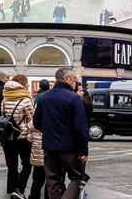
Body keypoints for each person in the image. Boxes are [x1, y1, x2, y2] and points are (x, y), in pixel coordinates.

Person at [33, 68, 89, 199]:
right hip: (69, 146)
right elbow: (81, 127)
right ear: (66, 79)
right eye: (74, 78)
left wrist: (49, 131)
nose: (75, 80)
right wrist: (84, 151)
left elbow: (36, 122)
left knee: (53, 180)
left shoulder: (44, 97)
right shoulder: (74, 98)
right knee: (76, 177)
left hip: (49, 145)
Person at [3, 74, 35, 199]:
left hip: (8, 136)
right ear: (22, 84)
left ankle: (12, 190)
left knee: (12, 165)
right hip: (23, 137)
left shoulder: (5, 99)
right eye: (26, 83)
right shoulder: (25, 100)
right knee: (27, 164)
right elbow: (32, 120)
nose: (28, 85)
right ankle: (19, 190)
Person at [28, 79, 50, 199]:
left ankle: (33, 196)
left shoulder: (38, 97)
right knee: (51, 176)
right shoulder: (49, 97)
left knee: (37, 175)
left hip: (38, 138)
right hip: (49, 139)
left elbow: (34, 119)